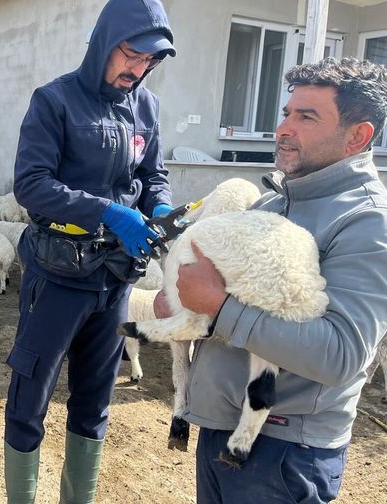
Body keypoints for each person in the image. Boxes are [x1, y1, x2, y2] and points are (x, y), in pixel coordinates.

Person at [166, 57, 387, 503]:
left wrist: (217, 305)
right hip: (222, 432)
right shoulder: (271, 203)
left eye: (307, 117)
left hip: (285, 454)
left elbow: (340, 353)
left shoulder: (367, 222)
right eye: (287, 112)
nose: (284, 127)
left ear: (358, 136)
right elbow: (212, 294)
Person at [4, 0, 177, 502]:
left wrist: (160, 206)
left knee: (95, 401)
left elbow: (153, 176)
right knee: (29, 397)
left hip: (115, 278)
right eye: (131, 55)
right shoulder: (54, 100)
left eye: (149, 62)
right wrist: (109, 212)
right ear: (105, 41)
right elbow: (31, 184)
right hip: (57, 274)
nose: (138, 69)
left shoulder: (147, 108)